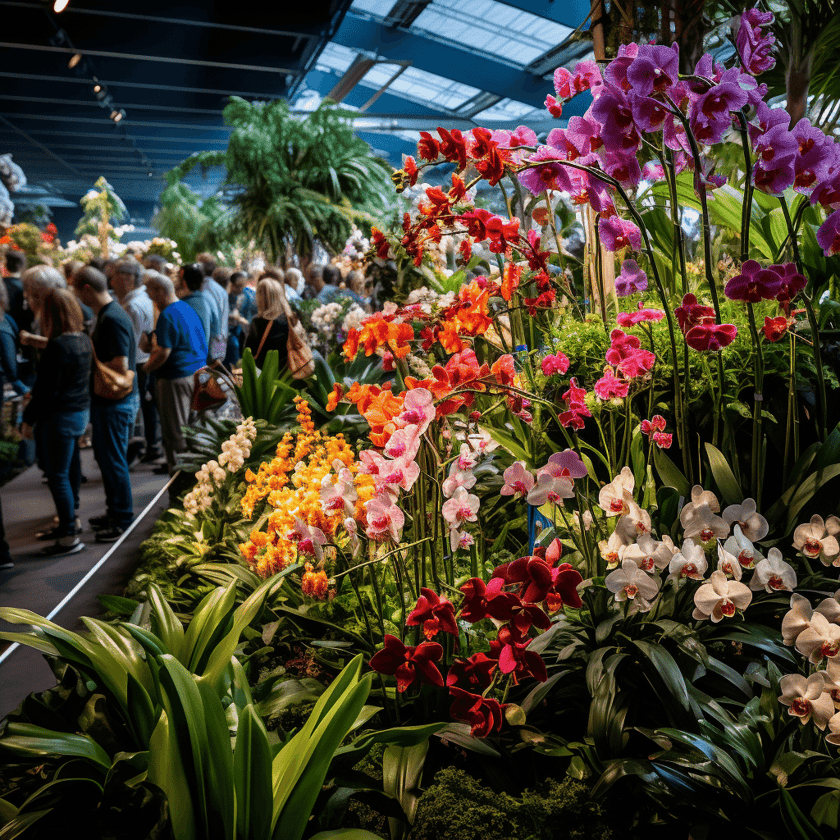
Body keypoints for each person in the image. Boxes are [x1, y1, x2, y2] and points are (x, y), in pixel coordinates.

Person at [21, 287, 91, 556]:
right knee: (70, 469)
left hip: (59, 417)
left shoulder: (59, 345)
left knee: (57, 476)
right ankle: (68, 522)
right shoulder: (83, 340)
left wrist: (28, 420)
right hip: (79, 414)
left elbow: (45, 390)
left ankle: (69, 536)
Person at [71, 266, 138, 543]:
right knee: (109, 460)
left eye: (76, 289)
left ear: (86, 289)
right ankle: (115, 512)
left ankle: (122, 517)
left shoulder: (112, 318)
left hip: (115, 402)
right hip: (110, 402)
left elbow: (120, 365)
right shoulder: (109, 314)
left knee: (113, 461)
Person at [142, 271, 207, 474]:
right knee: (193, 431)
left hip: (176, 378)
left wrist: (145, 369)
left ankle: (181, 485)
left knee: (176, 434)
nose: (150, 299)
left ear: (160, 291)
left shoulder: (168, 314)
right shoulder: (187, 307)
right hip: (199, 373)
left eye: (151, 293)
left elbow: (163, 352)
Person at [112, 259, 160, 463]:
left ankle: (142, 445)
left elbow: (128, 340)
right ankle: (152, 444)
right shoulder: (144, 299)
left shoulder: (132, 305)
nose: (111, 282)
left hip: (139, 361)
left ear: (127, 280)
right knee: (149, 407)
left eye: (114, 278)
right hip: (147, 358)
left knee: (140, 407)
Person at [244, 278, 290, 369]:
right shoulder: (289, 319)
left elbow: (248, 352)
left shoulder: (258, 323)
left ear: (261, 298)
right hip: (288, 372)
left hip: (265, 377)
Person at [196, 253, 228, 363]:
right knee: (214, 376)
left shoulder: (198, 290)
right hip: (219, 341)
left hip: (202, 343)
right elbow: (224, 318)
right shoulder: (221, 291)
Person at [178, 263, 212, 351]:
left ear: (183, 282)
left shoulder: (182, 306)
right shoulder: (206, 301)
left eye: (178, 278)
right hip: (200, 359)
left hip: (186, 361)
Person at [4, 250, 30, 336]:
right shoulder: (25, 285)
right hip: (21, 329)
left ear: (6, 265)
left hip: (4, 325)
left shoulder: (2, 284)